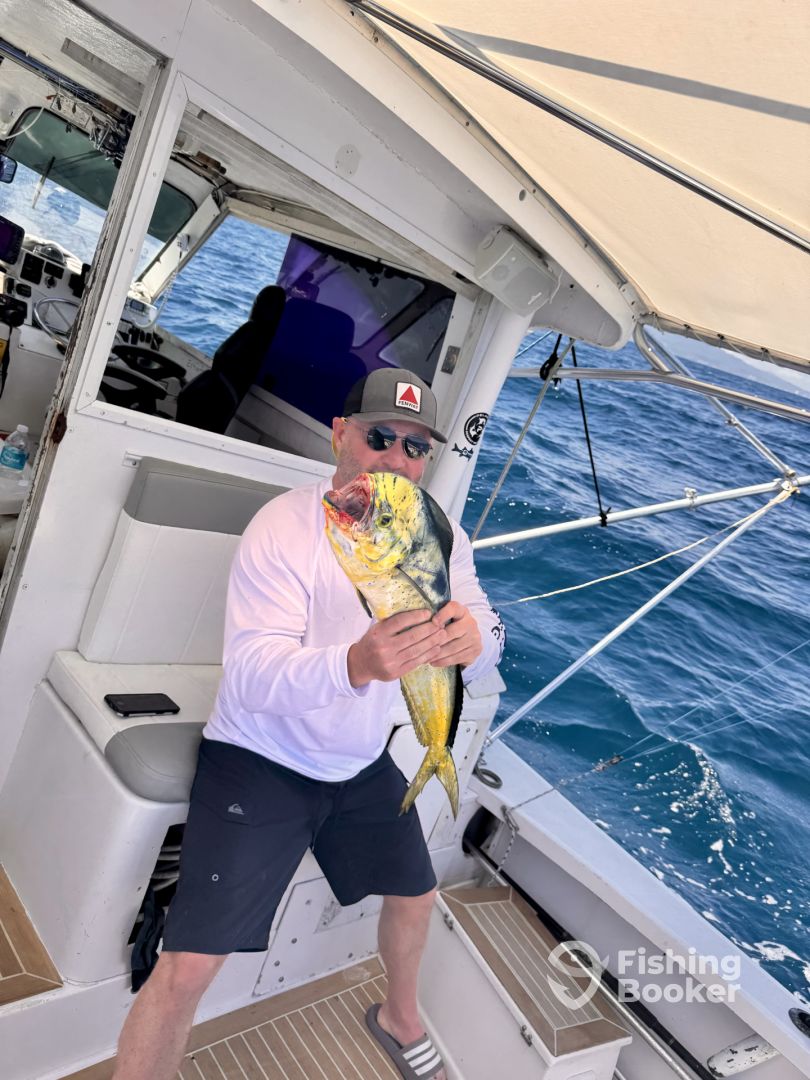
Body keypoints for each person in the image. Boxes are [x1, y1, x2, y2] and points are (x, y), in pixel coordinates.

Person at [112, 367, 505, 1080]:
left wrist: (475, 643)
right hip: (258, 756)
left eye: (415, 448)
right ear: (340, 434)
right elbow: (252, 676)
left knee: (417, 893)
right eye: (380, 437)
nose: (396, 461)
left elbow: (486, 630)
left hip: (357, 760)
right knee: (188, 967)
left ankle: (400, 1017)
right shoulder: (284, 527)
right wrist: (354, 663)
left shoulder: (439, 534)